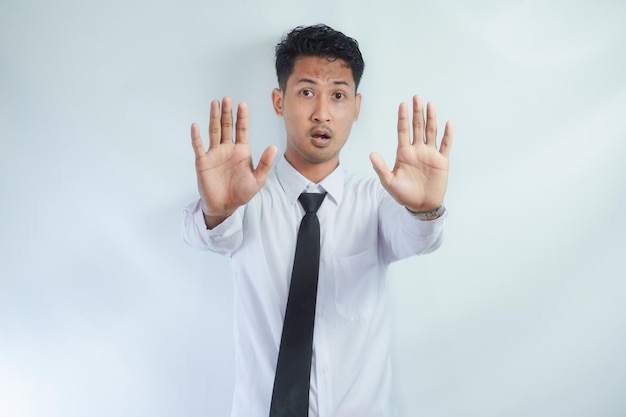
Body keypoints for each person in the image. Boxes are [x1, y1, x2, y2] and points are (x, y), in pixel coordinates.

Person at [183, 24, 453, 417]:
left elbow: (418, 238)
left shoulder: (377, 201)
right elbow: (205, 235)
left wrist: (425, 209)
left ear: (356, 107)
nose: (322, 113)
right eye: (306, 92)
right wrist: (219, 209)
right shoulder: (247, 198)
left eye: (338, 95)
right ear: (279, 101)